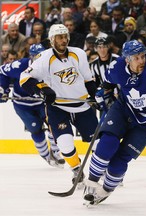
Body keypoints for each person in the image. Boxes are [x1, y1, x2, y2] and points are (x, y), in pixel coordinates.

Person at [82, 40, 146, 206]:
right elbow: (108, 83)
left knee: (120, 160)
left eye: (142, 56)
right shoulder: (117, 67)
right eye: (136, 58)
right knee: (108, 141)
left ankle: (106, 190)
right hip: (123, 109)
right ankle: (92, 181)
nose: (141, 60)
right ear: (127, 59)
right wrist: (104, 93)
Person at [19, 24, 99, 187]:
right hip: (58, 107)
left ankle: (101, 170)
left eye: (65, 37)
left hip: (81, 105)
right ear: (52, 39)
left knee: (97, 144)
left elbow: (88, 79)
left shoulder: (79, 54)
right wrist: (43, 89)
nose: (63, 40)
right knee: (65, 143)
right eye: (59, 37)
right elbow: (24, 78)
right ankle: (77, 169)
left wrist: (95, 96)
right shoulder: (44, 58)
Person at [0, 44, 65, 168]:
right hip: (23, 106)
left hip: (42, 103)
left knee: (54, 124)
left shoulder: (50, 66)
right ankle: (46, 156)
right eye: (36, 56)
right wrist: (3, 89)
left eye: (41, 55)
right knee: (36, 131)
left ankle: (56, 152)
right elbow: (2, 71)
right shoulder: (20, 65)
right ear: (31, 56)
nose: (39, 58)